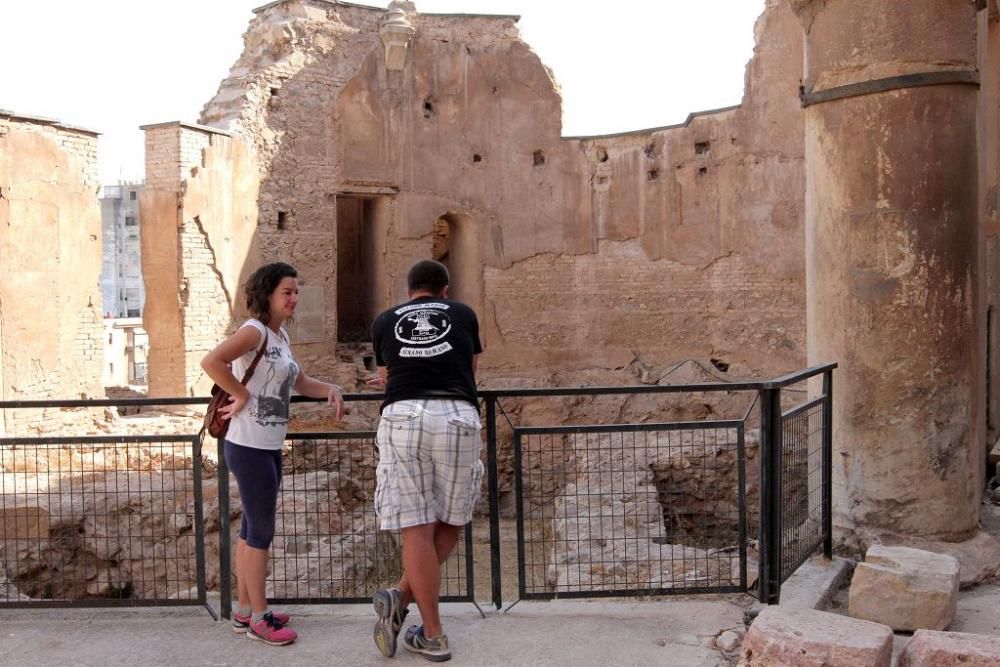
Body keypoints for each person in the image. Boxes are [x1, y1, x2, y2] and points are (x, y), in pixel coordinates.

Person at [201, 261, 344, 646]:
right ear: (267, 294)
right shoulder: (254, 331)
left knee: (251, 529)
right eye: (288, 292)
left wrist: (330, 388)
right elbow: (211, 362)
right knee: (261, 531)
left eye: (297, 291)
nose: (295, 298)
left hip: (268, 444)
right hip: (247, 444)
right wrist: (242, 393)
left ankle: (244, 611)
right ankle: (260, 620)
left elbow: (299, 382)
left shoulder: (280, 338)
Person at [369, 259, 483, 662]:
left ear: (409, 291)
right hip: (455, 414)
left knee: (416, 529)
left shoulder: (385, 320)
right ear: (445, 292)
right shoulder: (464, 314)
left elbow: (388, 374)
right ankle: (408, 609)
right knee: (451, 519)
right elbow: (470, 372)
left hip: (404, 415)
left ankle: (422, 622)